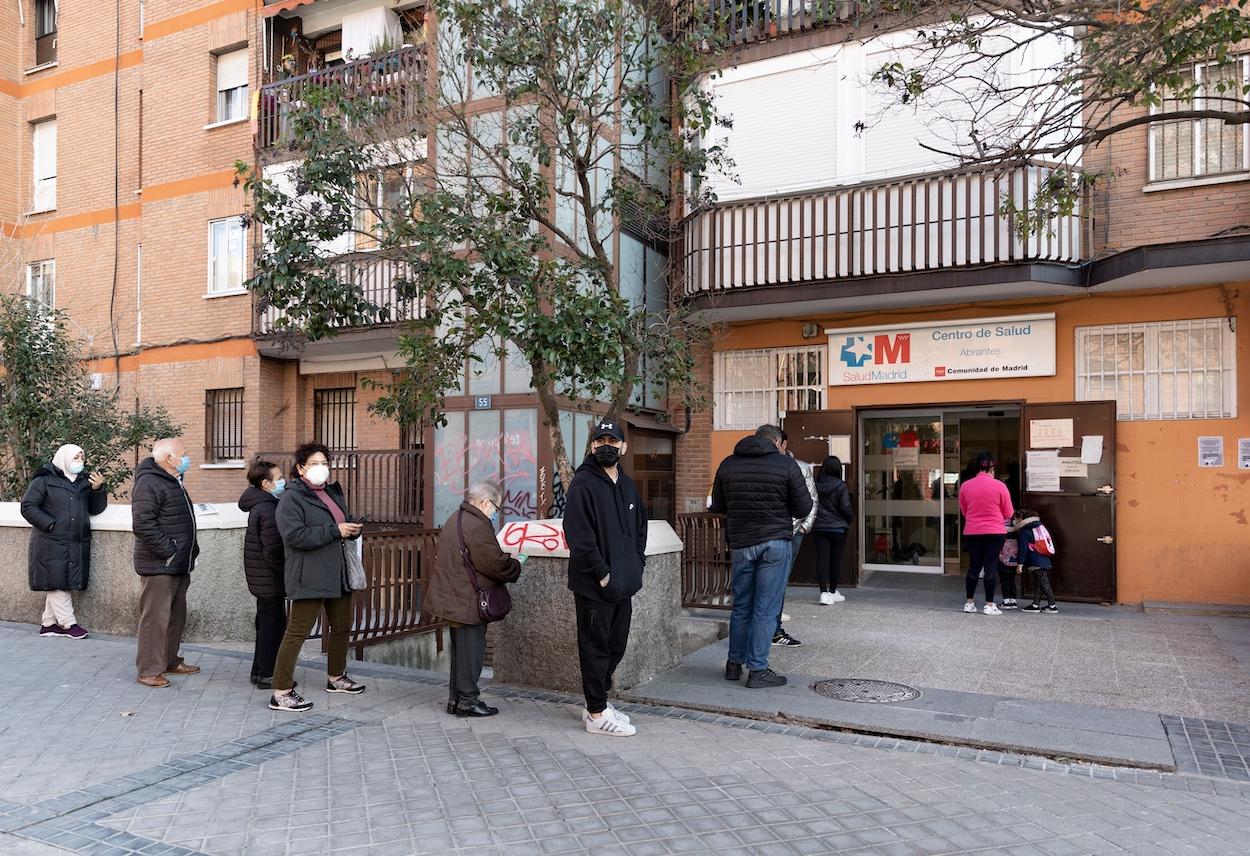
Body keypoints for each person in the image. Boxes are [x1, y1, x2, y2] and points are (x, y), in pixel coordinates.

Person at [710, 424, 812, 689]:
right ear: (777, 442)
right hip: (775, 543)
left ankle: (734, 664)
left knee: (742, 604)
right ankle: (758, 669)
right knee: (765, 607)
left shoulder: (728, 464)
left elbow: (718, 506)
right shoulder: (786, 465)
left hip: (742, 544)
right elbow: (804, 506)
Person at [564, 420, 647, 736]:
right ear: (592, 446)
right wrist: (602, 574)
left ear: (624, 448)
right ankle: (597, 714)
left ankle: (598, 702)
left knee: (615, 646)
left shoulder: (626, 484)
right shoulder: (583, 484)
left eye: (613, 442)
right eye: (600, 442)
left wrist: (635, 565)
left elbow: (640, 527)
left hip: (624, 583)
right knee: (595, 647)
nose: (606, 446)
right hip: (594, 585)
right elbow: (579, 535)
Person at [271, 443, 366, 712]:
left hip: (337, 572)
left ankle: (336, 677)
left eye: (324, 462)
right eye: (314, 463)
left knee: (342, 627)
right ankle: (281, 691)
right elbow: (294, 536)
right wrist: (335, 530)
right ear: (300, 468)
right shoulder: (292, 498)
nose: (321, 468)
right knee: (296, 633)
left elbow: (340, 524)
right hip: (309, 573)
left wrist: (351, 529)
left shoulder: (332, 493)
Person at [426, 481, 524, 717]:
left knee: (460, 652)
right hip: (467, 600)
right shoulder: (477, 526)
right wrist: (516, 565)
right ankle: (468, 701)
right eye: (495, 507)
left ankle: (455, 699)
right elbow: (494, 563)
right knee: (472, 652)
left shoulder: (455, 518)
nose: (494, 513)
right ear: (484, 502)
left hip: (454, 597)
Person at [132, 438, 201, 688]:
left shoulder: (173, 480)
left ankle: (170, 660)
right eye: (183, 454)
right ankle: (149, 669)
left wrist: (190, 552)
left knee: (175, 616)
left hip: (179, 563)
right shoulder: (150, 482)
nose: (187, 458)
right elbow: (142, 524)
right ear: (169, 458)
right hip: (160, 565)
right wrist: (170, 552)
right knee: (155, 618)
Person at [21, 444, 108, 639]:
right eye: (75, 458)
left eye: (81, 458)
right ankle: (69, 624)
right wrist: (51, 524)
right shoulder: (44, 480)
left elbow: (95, 509)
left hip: (75, 541)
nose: (79, 462)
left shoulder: (83, 481)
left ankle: (49, 624)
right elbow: (27, 506)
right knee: (57, 582)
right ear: (64, 458)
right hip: (49, 541)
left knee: (59, 579)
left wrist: (97, 489)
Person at [238, 460, 288, 689]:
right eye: (278, 478)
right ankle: (268, 674)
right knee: (273, 627)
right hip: (270, 579)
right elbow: (273, 551)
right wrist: (286, 575)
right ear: (266, 483)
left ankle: (259, 671)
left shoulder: (260, 505)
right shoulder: (269, 509)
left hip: (261, 580)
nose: (282, 481)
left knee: (265, 625)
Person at [771, 431, 815, 649]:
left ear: (783, 443)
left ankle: (773, 629)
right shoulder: (764, 464)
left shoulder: (801, 466)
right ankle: (772, 630)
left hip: (793, 531)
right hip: (768, 532)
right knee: (770, 584)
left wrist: (804, 528)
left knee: (780, 582)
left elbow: (812, 500)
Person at [958, 451, 1014, 615]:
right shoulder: (1000, 486)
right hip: (995, 531)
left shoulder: (965, 486)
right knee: (990, 566)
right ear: (991, 468)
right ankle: (989, 605)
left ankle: (969, 603)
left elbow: (964, 510)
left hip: (972, 530)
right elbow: (1008, 512)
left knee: (973, 566)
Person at [812, 455, 853, 605]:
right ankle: (833, 591)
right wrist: (849, 520)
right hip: (837, 528)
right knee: (835, 560)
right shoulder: (841, 486)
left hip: (819, 527)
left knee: (822, 560)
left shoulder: (815, 484)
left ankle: (823, 593)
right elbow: (845, 507)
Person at [1015, 509, 1059, 613]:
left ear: (1022, 518)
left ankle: (1052, 605)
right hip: (1043, 558)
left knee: (1044, 583)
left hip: (1035, 560)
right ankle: (1035, 604)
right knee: (1038, 583)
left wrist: (1020, 564)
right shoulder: (1039, 526)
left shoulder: (1025, 530)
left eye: (1016, 518)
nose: (1015, 521)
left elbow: (1023, 549)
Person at [998, 515, 1021, 610]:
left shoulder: (999, 521)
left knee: (1004, 580)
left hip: (1003, 558)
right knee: (1012, 580)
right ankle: (1014, 601)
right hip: (1014, 559)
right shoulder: (1015, 522)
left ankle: (1006, 601)